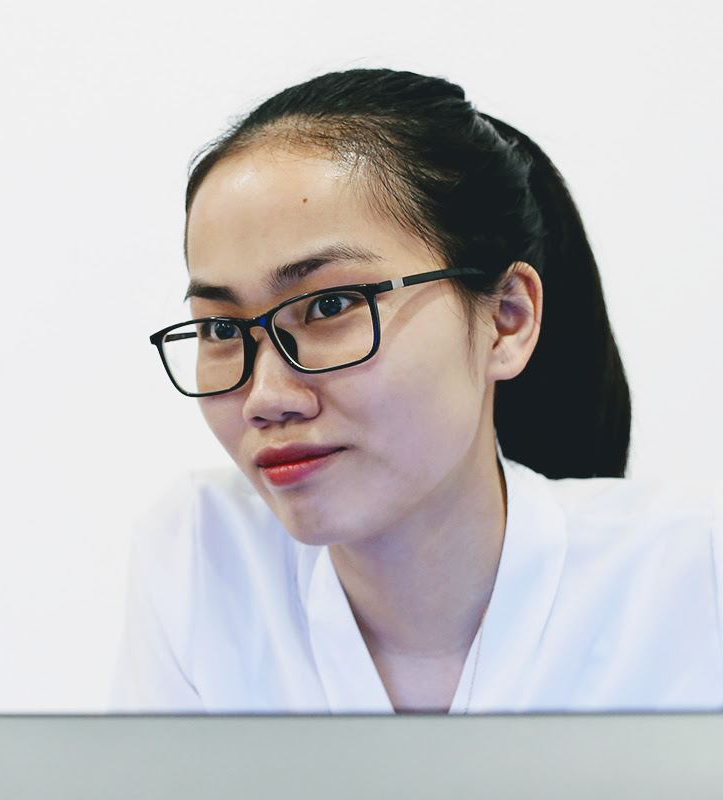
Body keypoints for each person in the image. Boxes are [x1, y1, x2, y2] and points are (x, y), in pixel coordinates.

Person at [113, 69, 723, 714]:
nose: (265, 397)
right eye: (220, 328)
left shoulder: (690, 576)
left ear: (505, 321)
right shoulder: (203, 556)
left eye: (330, 305)